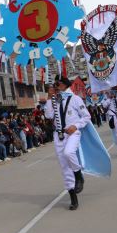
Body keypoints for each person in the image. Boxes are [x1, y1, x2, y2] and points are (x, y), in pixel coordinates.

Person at [45, 76, 91, 210]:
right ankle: (73, 198)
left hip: (73, 133)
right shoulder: (54, 100)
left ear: (65, 85)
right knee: (65, 167)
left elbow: (86, 116)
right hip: (59, 135)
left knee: (69, 152)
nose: (55, 86)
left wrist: (76, 126)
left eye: (57, 84)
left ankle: (78, 175)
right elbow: (48, 115)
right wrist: (49, 97)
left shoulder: (75, 99)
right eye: (54, 85)